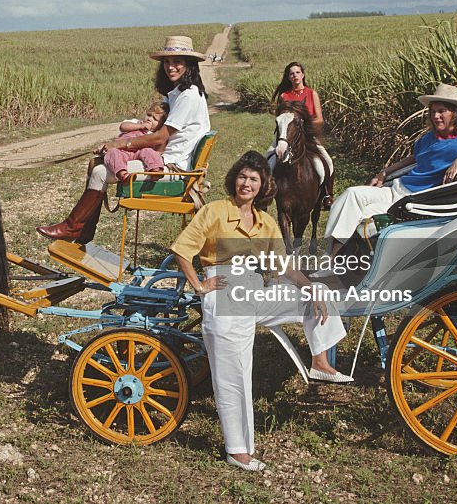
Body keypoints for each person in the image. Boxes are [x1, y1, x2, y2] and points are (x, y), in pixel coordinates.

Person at [171, 151, 351, 473]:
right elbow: (183, 249)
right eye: (242, 177)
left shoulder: (265, 221)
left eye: (254, 179)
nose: (247, 183)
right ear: (234, 180)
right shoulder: (214, 211)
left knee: (318, 292)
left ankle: (320, 361)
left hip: (256, 287)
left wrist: (307, 287)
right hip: (226, 289)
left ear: (262, 186)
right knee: (235, 371)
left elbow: (282, 265)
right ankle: (238, 450)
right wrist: (198, 284)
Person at [36, 35, 210, 243]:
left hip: (174, 168)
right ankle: (81, 230)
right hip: (167, 159)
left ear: (189, 66)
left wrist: (120, 144)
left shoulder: (188, 96)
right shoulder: (177, 93)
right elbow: (152, 133)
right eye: (167, 62)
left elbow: (162, 135)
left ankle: (73, 228)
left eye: (177, 62)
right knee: (99, 163)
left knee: (101, 172)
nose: (170, 67)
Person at [324, 83, 457, 255]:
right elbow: (413, 158)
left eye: (442, 111)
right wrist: (384, 173)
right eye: (433, 111)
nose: (436, 116)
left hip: (407, 200)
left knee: (359, 216)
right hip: (395, 188)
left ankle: (334, 264)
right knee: (350, 194)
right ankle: (329, 258)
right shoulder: (429, 138)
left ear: (455, 114)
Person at [271, 62, 334, 208]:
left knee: (327, 162)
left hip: (308, 136)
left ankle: (327, 194)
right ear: (288, 77)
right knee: (269, 160)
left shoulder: (312, 94)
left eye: (297, 72)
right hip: (287, 136)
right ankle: (265, 194)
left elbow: (319, 118)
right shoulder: (284, 96)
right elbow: (280, 118)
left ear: (303, 75)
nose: (295, 76)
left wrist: (305, 128)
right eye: (292, 73)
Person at [103, 101, 168, 182]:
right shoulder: (136, 122)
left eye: (155, 119)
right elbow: (123, 126)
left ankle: (156, 170)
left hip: (139, 153)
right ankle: (123, 174)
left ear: (161, 125)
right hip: (123, 151)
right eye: (149, 115)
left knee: (148, 151)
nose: (149, 119)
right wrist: (140, 126)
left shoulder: (154, 134)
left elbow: (159, 148)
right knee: (112, 152)